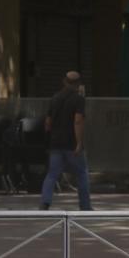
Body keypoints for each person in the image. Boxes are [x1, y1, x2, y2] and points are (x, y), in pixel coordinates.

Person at [40, 71, 92, 210]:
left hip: (56, 142)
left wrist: (50, 138)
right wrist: (79, 142)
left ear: (64, 81)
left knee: (52, 173)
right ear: (79, 84)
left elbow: (48, 122)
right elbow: (78, 121)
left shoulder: (55, 98)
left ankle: (45, 202)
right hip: (71, 142)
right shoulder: (79, 99)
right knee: (82, 173)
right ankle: (85, 205)